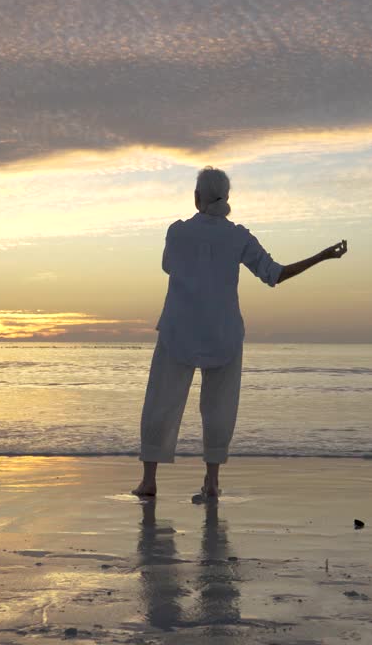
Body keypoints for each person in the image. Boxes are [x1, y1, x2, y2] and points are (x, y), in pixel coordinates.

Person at [132, 166, 347, 500]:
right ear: (227, 199)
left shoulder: (176, 232)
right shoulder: (239, 236)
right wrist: (321, 256)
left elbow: (168, 266)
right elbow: (275, 275)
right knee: (219, 409)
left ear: (196, 197)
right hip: (223, 333)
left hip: (179, 330)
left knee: (161, 403)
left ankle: (149, 481)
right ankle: (212, 482)